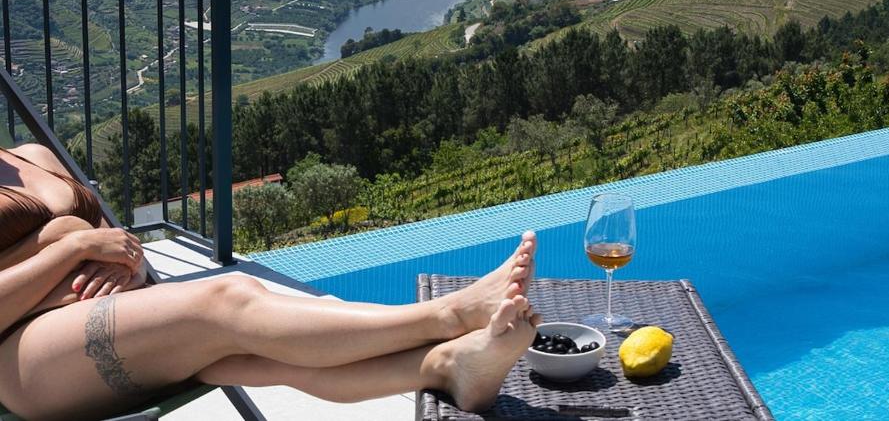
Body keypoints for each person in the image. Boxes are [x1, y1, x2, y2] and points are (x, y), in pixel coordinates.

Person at [0, 144, 538, 421]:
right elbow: (83, 243)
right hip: (25, 357)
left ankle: (448, 368)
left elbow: (115, 243)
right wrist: (70, 246)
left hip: (113, 317)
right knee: (226, 300)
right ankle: (447, 316)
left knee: (262, 357)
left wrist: (124, 261)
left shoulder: (34, 156)